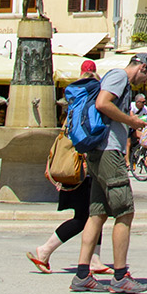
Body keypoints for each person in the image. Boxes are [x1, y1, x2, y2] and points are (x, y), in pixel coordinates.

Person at [71, 52, 147, 294]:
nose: (145, 81)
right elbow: (102, 104)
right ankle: (120, 276)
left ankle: (81, 275)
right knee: (125, 211)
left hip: (99, 151)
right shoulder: (119, 77)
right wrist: (131, 122)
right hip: (109, 152)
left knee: (97, 213)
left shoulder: (116, 78)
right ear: (141, 67)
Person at [28, 62, 108, 276]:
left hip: (75, 168)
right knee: (84, 217)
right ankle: (44, 250)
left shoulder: (73, 104)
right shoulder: (88, 104)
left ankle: (95, 259)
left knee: (95, 212)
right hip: (83, 170)